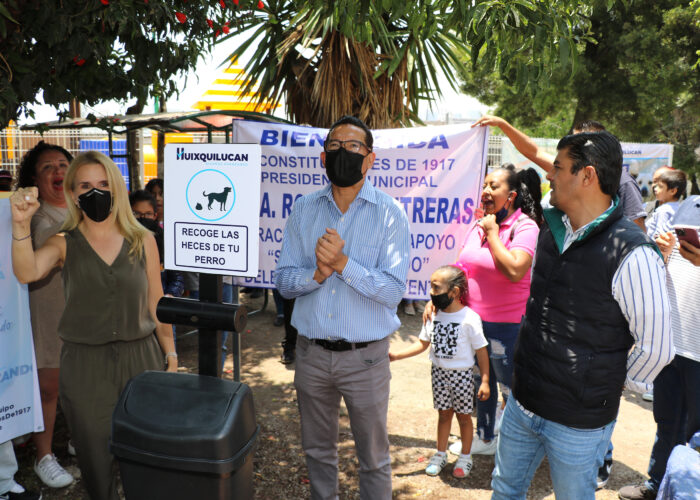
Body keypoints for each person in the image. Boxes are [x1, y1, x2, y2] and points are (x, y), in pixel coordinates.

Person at [491, 131, 675, 500]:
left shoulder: (632, 251)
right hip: (523, 403)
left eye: (558, 168)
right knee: (505, 489)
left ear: (587, 176)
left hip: (578, 423)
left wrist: (609, 383)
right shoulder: (552, 227)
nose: (550, 175)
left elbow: (657, 347)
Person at [10, 151, 177, 500]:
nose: (95, 192)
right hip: (85, 366)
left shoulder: (142, 239)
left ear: (116, 188)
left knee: (145, 454)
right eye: (85, 185)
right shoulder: (63, 243)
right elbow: (26, 272)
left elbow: (156, 302)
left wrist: (171, 355)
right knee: (95, 458)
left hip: (141, 358)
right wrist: (21, 226)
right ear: (72, 194)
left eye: (103, 184)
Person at [275, 115, 410, 500]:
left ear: (369, 159)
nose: (343, 153)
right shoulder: (304, 210)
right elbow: (283, 281)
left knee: (374, 457)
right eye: (334, 146)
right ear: (322, 157)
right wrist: (316, 275)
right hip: (311, 355)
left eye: (353, 147)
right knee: (317, 452)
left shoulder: (389, 213)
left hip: (365, 360)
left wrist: (343, 265)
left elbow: (392, 291)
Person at [424, 165, 542, 457]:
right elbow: (462, 269)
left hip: (508, 327)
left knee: (511, 391)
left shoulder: (525, 226)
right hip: (474, 324)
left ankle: (517, 447)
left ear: (511, 195)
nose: (486, 191)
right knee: (480, 384)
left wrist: (492, 234)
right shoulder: (477, 225)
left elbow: (515, 270)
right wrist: (437, 298)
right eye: (485, 185)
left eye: (495, 186)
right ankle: (486, 437)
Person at [618, 195, 700, 500]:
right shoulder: (686, 223)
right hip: (672, 349)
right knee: (667, 423)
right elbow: (656, 283)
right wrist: (662, 253)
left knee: (696, 433)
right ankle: (657, 484)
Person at [390, 265, 490, 479]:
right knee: (443, 415)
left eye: (436, 288)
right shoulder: (433, 316)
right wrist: (396, 355)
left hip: (462, 377)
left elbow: (482, 352)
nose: (431, 293)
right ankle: (440, 453)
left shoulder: (470, 318)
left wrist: (485, 380)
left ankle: (465, 456)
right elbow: (422, 343)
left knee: (464, 418)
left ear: (453, 292)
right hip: (439, 375)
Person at [15, 142, 75, 489]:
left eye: (63, 163)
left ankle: (78, 440)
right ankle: (43, 456)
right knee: (48, 387)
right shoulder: (32, 214)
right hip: (46, 307)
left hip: (85, 310)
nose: (58, 171)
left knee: (82, 381)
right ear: (34, 178)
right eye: (48, 167)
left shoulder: (87, 206)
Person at [473, 115, 647, 230]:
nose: (551, 176)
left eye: (581, 143)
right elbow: (534, 152)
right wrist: (503, 125)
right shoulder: (566, 171)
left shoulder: (623, 182)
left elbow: (637, 229)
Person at [645, 167, 687, 239]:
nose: (655, 189)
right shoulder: (680, 209)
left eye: (660, 187)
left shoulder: (663, 210)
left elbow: (659, 236)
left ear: (673, 191)